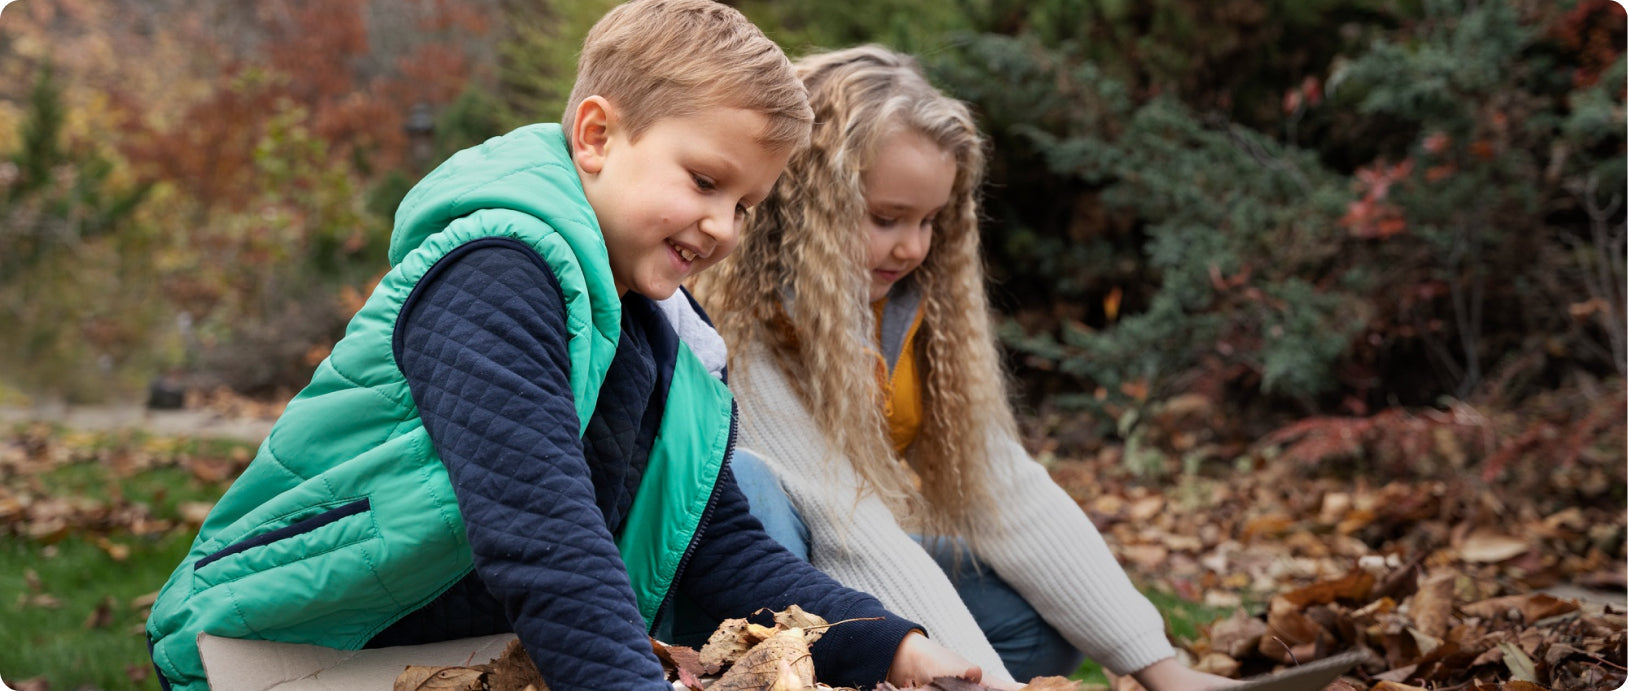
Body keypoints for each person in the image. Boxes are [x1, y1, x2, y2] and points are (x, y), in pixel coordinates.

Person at [143, 8, 988, 691]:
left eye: (747, 204)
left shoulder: (660, 336)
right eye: (703, 181)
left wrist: (893, 648)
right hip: (282, 646)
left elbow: (723, 546)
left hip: (460, 653)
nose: (723, 226)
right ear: (595, 136)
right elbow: (543, 536)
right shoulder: (496, 272)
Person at [693, 45, 1239, 690]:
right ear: (801, 203)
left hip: (845, 563)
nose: (913, 246)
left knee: (1033, 625)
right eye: (886, 218)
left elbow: (1005, 489)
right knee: (757, 488)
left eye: (930, 220)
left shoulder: (900, 309)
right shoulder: (734, 326)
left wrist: (1164, 669)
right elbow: (846, 523)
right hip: (736, 588)